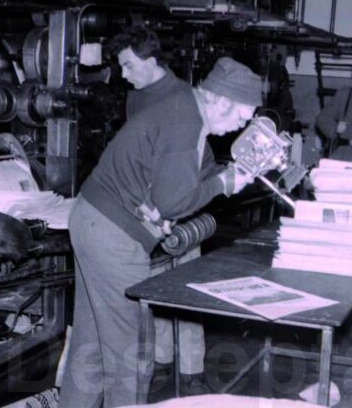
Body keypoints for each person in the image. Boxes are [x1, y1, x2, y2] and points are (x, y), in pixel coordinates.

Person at [59, 55, 262, 408]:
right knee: (132, 350)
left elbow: (180, 178)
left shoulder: (185, 108)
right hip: (113, 236)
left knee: (91, 345)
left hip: (92, 218)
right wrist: (223, 185)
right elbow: (172, 203)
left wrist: (224, 177)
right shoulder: (186, 122)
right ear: (222, 101)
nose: (240, 127)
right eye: (241, 117)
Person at [108, 26, 213, 395]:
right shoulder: (135, 98)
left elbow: (202, 161)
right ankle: (164, 362)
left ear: (151, 61)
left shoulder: (184, 98)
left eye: (128, 66)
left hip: (180, 206)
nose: (124, 75)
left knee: (186, 290)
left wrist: (177, 205)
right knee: (155, 288)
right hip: (147, 211)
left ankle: (192, 372)